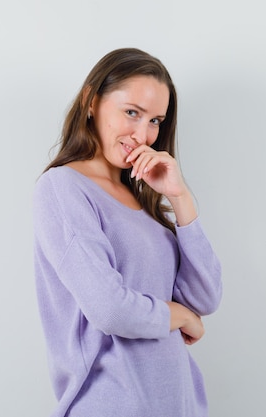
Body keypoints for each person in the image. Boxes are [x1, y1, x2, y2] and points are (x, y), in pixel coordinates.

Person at [32, 47, 223, 417]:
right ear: (91, 101)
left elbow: (205, 297)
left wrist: (180, 198)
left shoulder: (142, 200)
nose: (143, 134)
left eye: (155, 121)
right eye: (132, 112)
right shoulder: (63, 188)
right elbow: (110, 309)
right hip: (112, 405)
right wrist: (179, 317)